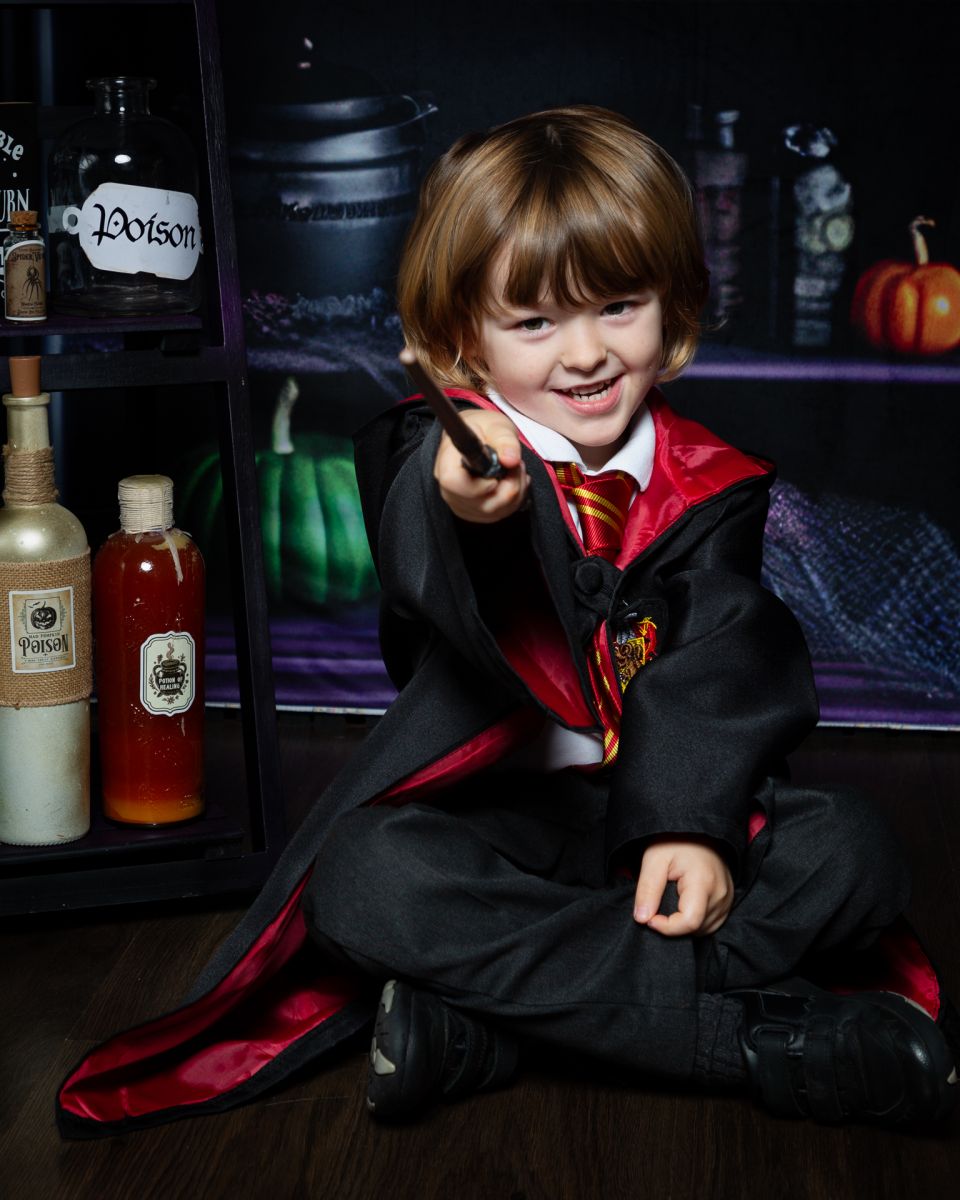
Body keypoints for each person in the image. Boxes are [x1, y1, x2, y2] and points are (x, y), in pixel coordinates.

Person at [54, 106, 957, 1139]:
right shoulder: (436, 456)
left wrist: (687, 824)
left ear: (679, 311)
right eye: (533, 323)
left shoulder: (714, 485)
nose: (583, 355)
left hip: (653, 816)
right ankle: (750, 1040)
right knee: (365, 880)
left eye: (620, 306)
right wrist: (468, 504)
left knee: (854, 852)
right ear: (460, 342)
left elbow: (723, 647)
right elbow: (420, 552)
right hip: (500, 824)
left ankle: (490, 1026)